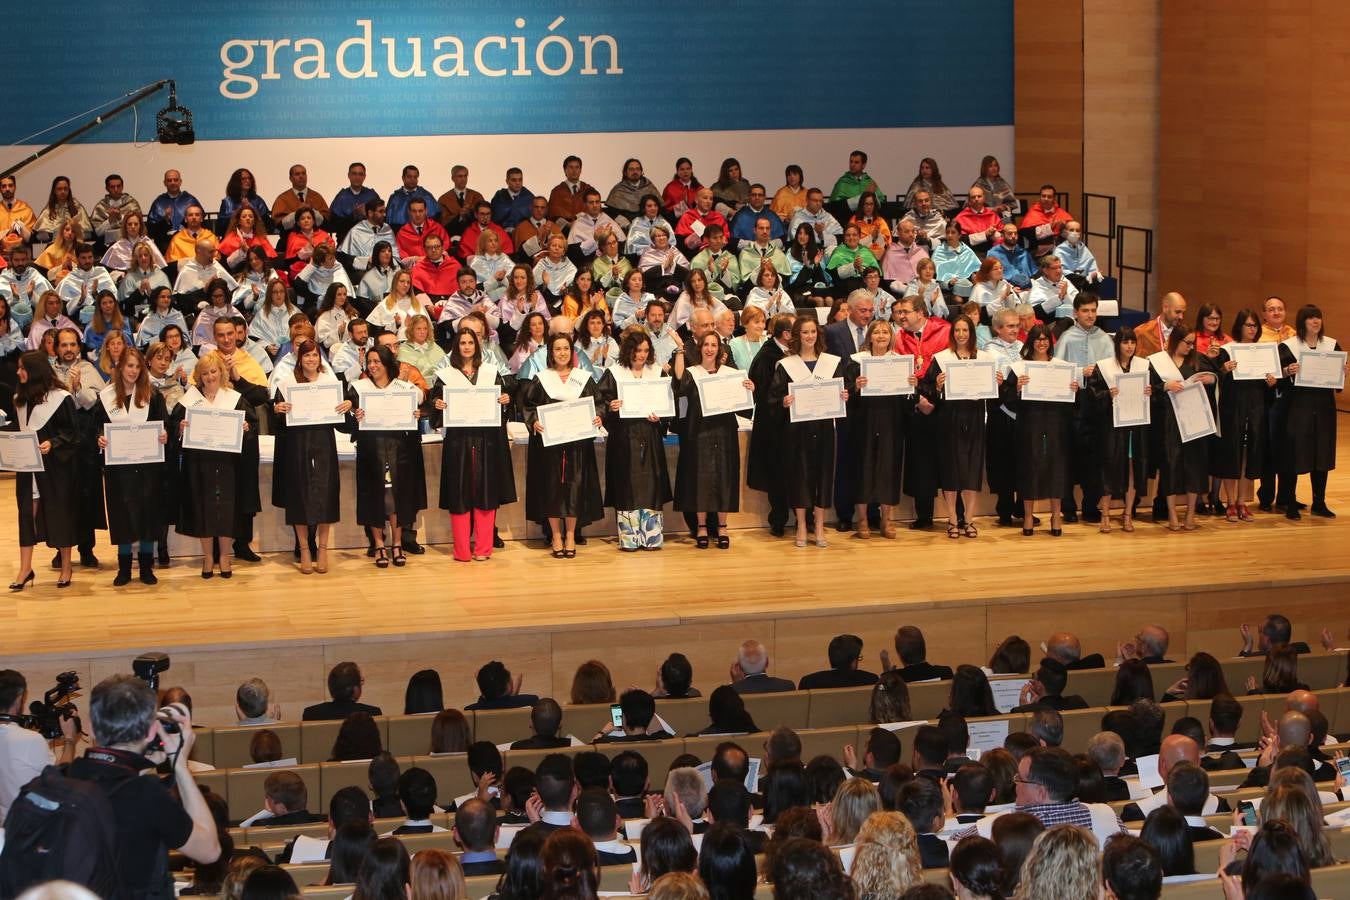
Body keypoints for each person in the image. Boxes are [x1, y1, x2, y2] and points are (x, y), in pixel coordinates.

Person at [59, 675, 220, 897]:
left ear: (91, 728)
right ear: (151, 731)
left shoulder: (61, 778)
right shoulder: (146, 794)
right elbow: (209, 851)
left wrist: (141, 766)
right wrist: (180, 766)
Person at [167, 349, 255, 578]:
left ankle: (224, 556)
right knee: (202, 509)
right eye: (205, 373)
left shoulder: (235, 399)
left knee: (227, 510)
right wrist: (180, 428)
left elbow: (251, 428)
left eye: (214, 371)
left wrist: (246, 430)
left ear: (221, 372)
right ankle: (208, 557)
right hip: (199, 464)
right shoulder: (190, 400)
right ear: (199, 375)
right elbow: (174, 427)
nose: (210, 377)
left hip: (228, 464)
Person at [431, 328, 516, 563]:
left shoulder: (491, 372)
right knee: (459, 493)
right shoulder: (446, 375)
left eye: (470, 342)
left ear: (477, 346)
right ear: (456, 347)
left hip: (487, 440)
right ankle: (461, 551)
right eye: (462, 343)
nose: (467, 347)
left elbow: (503, 404)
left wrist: (505, 402)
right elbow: (434, 409)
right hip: (458, 442)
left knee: (486, 493)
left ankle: (483, 548)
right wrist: (437, 405)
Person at [269, 339, 351, 574]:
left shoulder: (330, 382)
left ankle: (323, 550)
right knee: (299, 496)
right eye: (306, 356)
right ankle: (305, 549)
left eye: (315, 355)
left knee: (325, 494)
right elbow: (278, 420)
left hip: (324, 442)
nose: (311, 360)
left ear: (320, 358)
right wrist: (277, 409)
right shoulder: (287, 383)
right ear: (299, 358)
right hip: (297, 444)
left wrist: (346, 405)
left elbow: (343, 422)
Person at [521, 333, 603, 558]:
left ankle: (570, 535)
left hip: (577, 444)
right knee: (552, 489)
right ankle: (556, 536)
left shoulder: (583, 378)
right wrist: (533, 421)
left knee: (575, 488)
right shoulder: (541, 379)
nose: (562, 353)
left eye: (566, 348)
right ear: (551, 353)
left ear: (572, 352)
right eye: (557, 349)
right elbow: (527, 406)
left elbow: (599, 404)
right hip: (550, 446)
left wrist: (598, 416)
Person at [92, 346, 169, 586]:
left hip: (148, 469)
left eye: (137, 366)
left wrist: (164, 435)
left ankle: (146, 566)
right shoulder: (106, 397)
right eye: (129, 366)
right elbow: (95, 427)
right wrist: (99, 438)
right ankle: (123, 568)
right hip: (119, 470)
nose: (133, 371)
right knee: (122, 515)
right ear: (120, 367)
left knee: (148, 515)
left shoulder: (152, 395)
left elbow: (164, 423)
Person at [770, 315, 847, 548]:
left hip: (824, 427)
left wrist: (844, 396)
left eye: (813, 332)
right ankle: (802, 525)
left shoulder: (831, 363)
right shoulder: (786, 365)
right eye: (805, 332)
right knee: (799, 477)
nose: (810, 336)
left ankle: (820, 526)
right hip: (797, 430)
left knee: (824, 475)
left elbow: (840, 393)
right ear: (797, 335)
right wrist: (783, 401)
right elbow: (772, 398)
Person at [596, 329, 673, 551]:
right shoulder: (614, 373)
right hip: (624, 436)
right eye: (638, 350)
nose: (641, 355)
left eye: (646, 350)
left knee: (651, 483)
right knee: (627, 484)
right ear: (629, 350)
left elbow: (668, 403)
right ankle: (629, 538)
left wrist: (661, 416)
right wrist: (610, 407)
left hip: (649, 435)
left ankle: (651, 537)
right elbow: (600, 401)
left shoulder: (657, 373)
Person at [673, 331, 750, 549]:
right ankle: (702, 527)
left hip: (724, 431)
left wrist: (748, 389)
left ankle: (723, 526)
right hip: (699, 431)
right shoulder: (693, 373)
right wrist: (680, 350)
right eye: (706, 344)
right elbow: (679, 380)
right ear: (700, 348)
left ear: (719, 349)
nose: (709, 349)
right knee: (701, 479)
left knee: (724, 476)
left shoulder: (730, 373)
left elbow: (743, 405)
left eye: (713, 345)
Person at [1004, 324, 1076, 536]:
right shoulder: (1020, 368)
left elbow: (1072, 403)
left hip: (1056, 424)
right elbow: (1006, 399)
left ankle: (1055, 516)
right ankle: (1027, 516)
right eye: (1038, 339)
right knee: (1030, 469)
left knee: (1056, 469)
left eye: (1046, 339)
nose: (1042, 342)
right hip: (1030, 423)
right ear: (1031, 342)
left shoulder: (1061, 367)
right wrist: (1017, 389)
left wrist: (1073, 390)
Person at [841, 319, 909, 539]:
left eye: (885, 332)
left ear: (891, 337)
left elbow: (907, 399)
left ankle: (886, 520)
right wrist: (856, 387)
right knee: (863, 468)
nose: (881, 336)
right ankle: (861, 520)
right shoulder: (856, 362)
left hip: (891, 421)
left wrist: (911, 385)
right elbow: (846, 396)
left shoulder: (899, 362)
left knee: (889, 469)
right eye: (877, 332)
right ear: (869, 337)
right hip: (864, 422)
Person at [930, 314, 994, 539]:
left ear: (972, 333)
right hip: (949, 419)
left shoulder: (985, 358)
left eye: (965, 330)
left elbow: (994, 395)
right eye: (957, 330)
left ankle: (969, 519)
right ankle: (952, 519)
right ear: (952, 333)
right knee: (951, 470)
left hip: (975, 418)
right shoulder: (941, 358)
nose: (961, 334)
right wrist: (937, 386)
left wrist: (996, 382)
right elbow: (929, 392)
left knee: (971, 471)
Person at [1147, 325, 1216, 531]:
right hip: (1169, 421)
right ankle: (1172, 514)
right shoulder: (1157, 363)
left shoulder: (1197, 359)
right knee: (1171, 464)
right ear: (1175, 340)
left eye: (1192, 342)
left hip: (1194, 419)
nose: (1190, 346)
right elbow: (1149, 390)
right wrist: (1165, 386)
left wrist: (1210, 379)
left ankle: (1191, 514)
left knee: (1194, 465)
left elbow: (1215, 375)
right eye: (1186, 342)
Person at [1277, 304, 1343, 519]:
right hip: (1298, 406)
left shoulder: (1332, 345)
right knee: (1295, 453)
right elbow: (1277, 378)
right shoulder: (1288, 347)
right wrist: (1288, 371)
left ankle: (1319, 502)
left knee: (1321, 452)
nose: (1316, 321)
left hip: (1323, 407)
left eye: (1318, 318)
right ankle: (1289, 502)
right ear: (1302, 322)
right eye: (1311, 318)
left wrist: (1342, 372)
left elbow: (1337, 384)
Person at [894, 295, 950, 530]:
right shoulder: (899, 338)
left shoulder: (944, 331)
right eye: (899, 313)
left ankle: (956, 515)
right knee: (920, 463)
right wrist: (918, 401)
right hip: (915, 404)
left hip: (943, 404)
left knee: (948, 461)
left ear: (920, 312)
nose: (901, 317)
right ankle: (924, 515)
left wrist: (935, 401)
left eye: (905, 312)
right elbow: (898, 374)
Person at [1087, 326, 1152, 532]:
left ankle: (1127, 514)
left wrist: (1151, 391)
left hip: (1135, 426)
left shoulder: (1144, 365)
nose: (1130, 346)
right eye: (1125, 342)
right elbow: (1093, 395)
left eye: (1132, 342)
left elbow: (1157, 394)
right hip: (1112, 428)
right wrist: (1108, 394)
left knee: (1133, 470)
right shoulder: (1104, 367)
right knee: (1109, 468)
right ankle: (1105, 514)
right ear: (1118, 344)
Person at [1215, 308, 1275, 521]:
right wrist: (1223, 370)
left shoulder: (1264, 351)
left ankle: (1242, 501)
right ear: (1239, 326)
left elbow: (1268, 386)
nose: (1252, 329)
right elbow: (1217, 381)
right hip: (1233, 408)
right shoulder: (1227, 350)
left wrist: (1271, 382)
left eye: (1255, 325)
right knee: (1232, 453)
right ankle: (1230, 502)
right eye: (1248, 325)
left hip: (1255, 407)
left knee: (1249, 455)